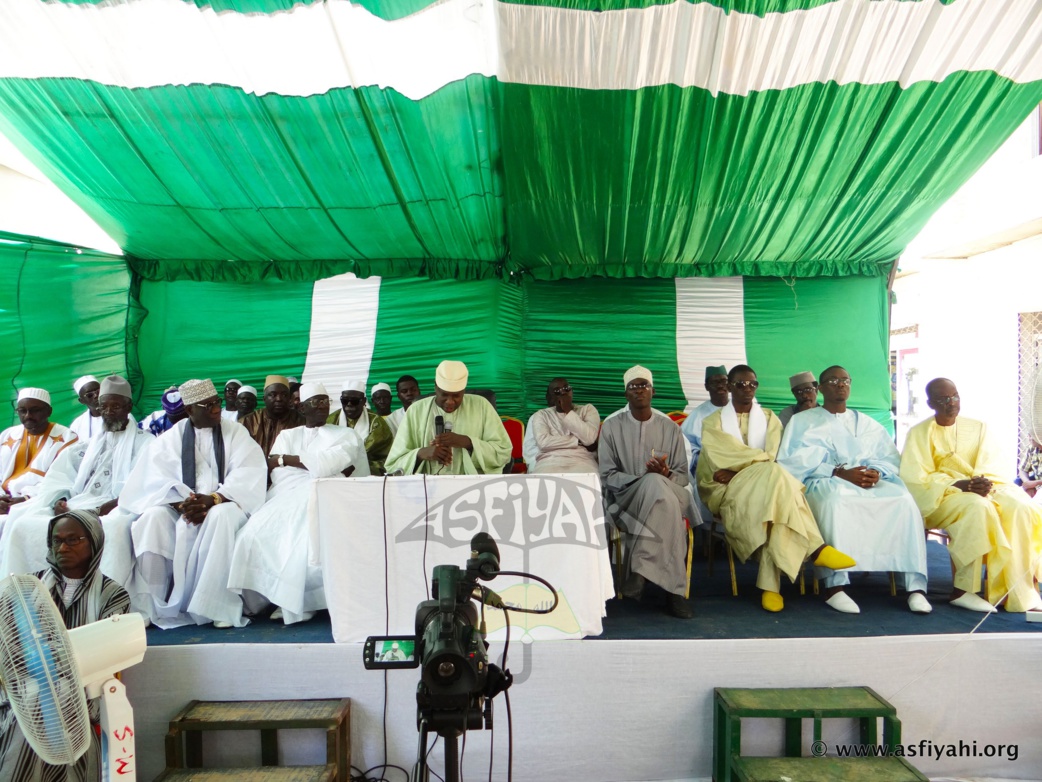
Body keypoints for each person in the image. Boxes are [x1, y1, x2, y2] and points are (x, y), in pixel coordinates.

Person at [697, 365, 855, 612]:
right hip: (723, 488)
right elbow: (721, 458)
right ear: (729, 387)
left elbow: (772, 453)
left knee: (775, 509)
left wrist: (741, 467)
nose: (747, 389)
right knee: (777, 475)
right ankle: (816, 546)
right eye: (740, 384)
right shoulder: (711, 422)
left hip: (761, 484)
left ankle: (771, 588)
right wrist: (752, 465)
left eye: (752, 384)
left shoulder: (770, 418)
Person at [777, 366, 931, 614]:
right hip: (826, 479)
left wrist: (876, 472)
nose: (840, 385)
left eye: (845, 380)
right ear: (821, 387)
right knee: (836, 501)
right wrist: (838, 472)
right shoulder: (801, 421)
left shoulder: (867, 423)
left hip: (868, 481)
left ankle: (915, 588)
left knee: (902, 499)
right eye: (834, 380)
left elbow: (889, 458)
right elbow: (791, 462)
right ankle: (834, 586)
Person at [120, 379, 267, 628]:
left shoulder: (236, 432)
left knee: (221, 516)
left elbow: (249, 471)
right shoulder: (170, 439)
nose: (216, 409)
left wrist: (213, 500)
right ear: (190, 410)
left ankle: (217, 605)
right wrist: (184, 504)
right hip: (182, 507)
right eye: (207, 405)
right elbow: (153, 479)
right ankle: (149, 606)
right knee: (151, 520)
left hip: (226, 503)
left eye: (217, 403)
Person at [0, 509, 131, 781]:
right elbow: (9, 644)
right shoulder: (28, 589)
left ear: (93, 542)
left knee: (60, 708)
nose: (63, 547)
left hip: (85, 691)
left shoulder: (112, 594)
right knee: (28, 711)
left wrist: (58, 667)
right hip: (26, 691)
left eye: (73, 540)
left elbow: (110, 648)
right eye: (56, 541)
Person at [228, 383, 369, 624]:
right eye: (316, 401)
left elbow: (333, 466)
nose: (323, 405)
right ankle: (267, 597)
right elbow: (276, 472)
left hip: (330, 494)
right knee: (252, 533)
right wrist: (305, 466)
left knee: (304, 533)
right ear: (301, 407)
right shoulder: (288, 435)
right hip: (286, 493)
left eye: (325, 400)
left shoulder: (346, 434)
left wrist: (287, 460)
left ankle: (301, 601)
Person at [900, 378, 1042, 613]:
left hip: (986, 486)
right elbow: (916, 478)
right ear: (930, 403)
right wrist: (959, 484)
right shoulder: (919, 433)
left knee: (1021, 507)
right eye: (943, 399)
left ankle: (1019, 588)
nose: (951, 403)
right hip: (943, 496)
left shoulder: (978, 427)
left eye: (955, 396)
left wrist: (979, 481)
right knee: (978, 508)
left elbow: (993, 463)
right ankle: (963, 590)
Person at [0, 375, 152, 587]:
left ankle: (104, 600)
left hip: (118, 508)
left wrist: (102, 509)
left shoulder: (146, 443)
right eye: (104, 407)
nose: (108, 412)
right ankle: (27, 596)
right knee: (24, 524)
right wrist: (60, 500)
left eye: (115, 406)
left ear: (128, 406)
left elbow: (144, 486)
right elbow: (59, 476)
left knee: (112, 529)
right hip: (76, 504)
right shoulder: (86, 445)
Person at [599, 366, 696, 619]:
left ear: (653, 391)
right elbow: (607, 475)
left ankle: (641, 571)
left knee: (662, 496)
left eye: (644, 385)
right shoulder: (611, 426)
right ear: (626, 395)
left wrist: (665, 475)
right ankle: (675, 593)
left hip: (668, 493)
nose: (639, 390)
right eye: (633, 387)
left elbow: (683, 476)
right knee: (662, 498)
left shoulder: (670, 428)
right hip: (626, 498)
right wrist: (645, 479)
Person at [386, 361, 511, 475]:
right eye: (444, 395)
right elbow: (393, 464)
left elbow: (503, 452)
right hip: (427, 490)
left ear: (464, 390)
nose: (450, 402)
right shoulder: (416, 410)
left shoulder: (482, 406)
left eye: (456, 396)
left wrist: (467, 442)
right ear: (435, 387)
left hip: (472, 489)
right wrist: (421, 454)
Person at [1, 388, 79, 515]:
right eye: (22, 411)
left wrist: (26, 498)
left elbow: (64, 480)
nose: (28, 416)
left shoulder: (67, 437)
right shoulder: (8, 435)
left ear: (48, 411)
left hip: (41, 501)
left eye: (35, 410)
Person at [681, 365, 730, 522]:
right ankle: (709, 539)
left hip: (737, 469)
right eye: (715, 382)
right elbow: (686, 448)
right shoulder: (697, 416)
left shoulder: (740, 408)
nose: (720, 385)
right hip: (709, 470)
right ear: (706, 386)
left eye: (724, 381)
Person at [523, 378, 599, 474]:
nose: (563, 393)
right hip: (549, 461)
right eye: (557, 391)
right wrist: (578, 441)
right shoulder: (541, 415)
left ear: (572, 392)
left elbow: (589, 438)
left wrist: (568, 411)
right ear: (550, 398)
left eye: (566, 388)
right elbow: (544, 443)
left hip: (583, 460)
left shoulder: (588, 410)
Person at [328, 380, 394, 475]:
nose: (349, 404)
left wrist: (356, 466)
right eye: (345, 401)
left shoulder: (376, 422)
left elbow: (385, 457)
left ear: (363, 401)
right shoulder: (331, 420)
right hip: (336, 472)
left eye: (354, 401)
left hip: (369, 472)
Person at [239, 375, 305, 456]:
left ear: (289, 399)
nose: (279, 399)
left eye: (284, 395)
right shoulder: (247, 422)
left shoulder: (301, 421)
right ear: (264, 399)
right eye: (273, 395)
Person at [68, 375, 101, 442]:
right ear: (82, 401)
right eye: (90, 395)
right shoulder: (77, 425)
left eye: (98, 391)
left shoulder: (119, 414)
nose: (96, 395)